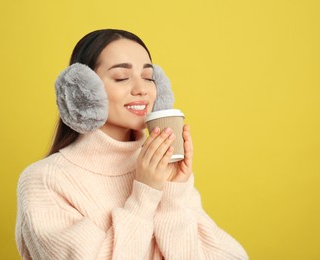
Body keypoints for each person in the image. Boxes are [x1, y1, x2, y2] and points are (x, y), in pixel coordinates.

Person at [15, 29, 248, 260]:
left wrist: (172, 195)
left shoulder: (160, 167)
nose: (142, 89)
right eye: (121, 78)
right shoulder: (44, 181)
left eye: (148, 78)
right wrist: (144, 195)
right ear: (82, 92)